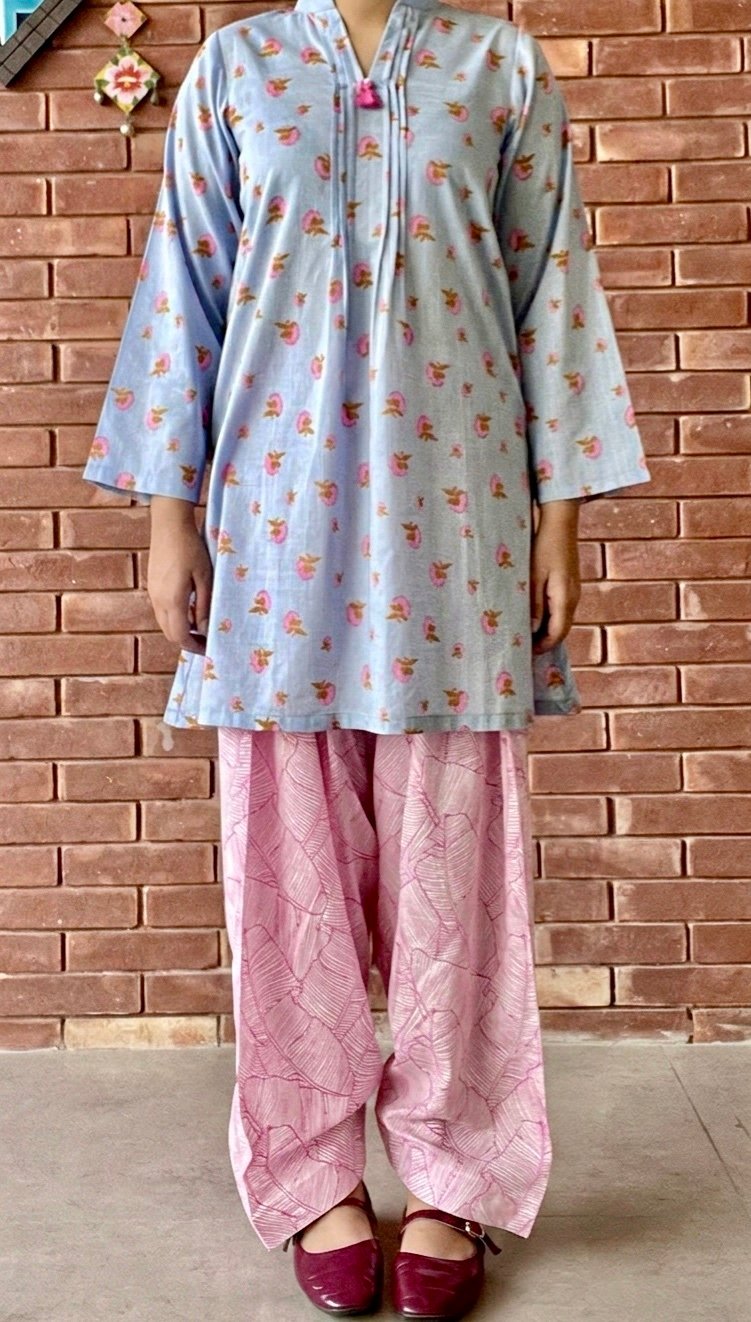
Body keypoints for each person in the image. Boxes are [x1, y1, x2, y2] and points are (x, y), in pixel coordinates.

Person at [82, 0, 650, 1315]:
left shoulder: (500, 67)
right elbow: (185, 291)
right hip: (274, 525)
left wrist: (560, 521)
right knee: (286, 869)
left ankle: (456, 1174)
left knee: (459, 874)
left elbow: (553, 293)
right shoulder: (237, 69)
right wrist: (170, 518)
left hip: (458, 521)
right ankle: (311, 1171)